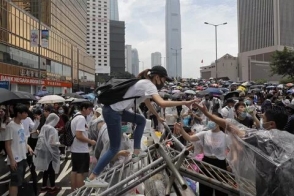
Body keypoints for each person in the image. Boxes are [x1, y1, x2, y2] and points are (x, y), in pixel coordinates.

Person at [86, 66, 197, 187]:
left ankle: (136, 153)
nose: (164, 83)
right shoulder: (148, 85)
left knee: (140, 120)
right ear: (157, 77)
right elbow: (162, 103)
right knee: (114, 148)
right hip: (113, 112)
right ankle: (92, 178)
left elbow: (147, 102)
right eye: (164, 80)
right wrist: (185, 102)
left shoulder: (144, 84)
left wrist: (157, 116)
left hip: (116, 111)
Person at [194, 102, 294, 196]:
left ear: (272, 124)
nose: (261, 120)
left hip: (268, 187)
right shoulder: (289, 138)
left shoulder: (263, 138)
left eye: (263, 118)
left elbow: (231, 127)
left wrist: (207, 114)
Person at [174, 113, 228, 196]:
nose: (211, 122)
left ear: (219, 122)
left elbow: (233, 150)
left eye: (213, 120)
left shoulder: (225, 136)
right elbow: (189, 138)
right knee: (205, 188)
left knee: (221, 190)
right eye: (210, 119)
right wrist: (181, 129)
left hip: (220, 164)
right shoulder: (205, 133)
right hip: (206, 162)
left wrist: (232, 161)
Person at [4, 104, 34, 196]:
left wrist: (28, 147)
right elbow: (7, 145)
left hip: (22, 156)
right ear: (18, 114)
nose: (26, 114)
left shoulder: (20, 124)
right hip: (16, 159)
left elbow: (22, 139)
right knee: (15, 182)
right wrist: (12, 160)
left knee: (18, 181)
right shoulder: (11, 126)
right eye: (24, 112)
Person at [70, 101, 96, 191]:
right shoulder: (81, 118)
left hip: (75, 149)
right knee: (80, 172)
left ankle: (74, 190)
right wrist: (91, 141)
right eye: (89, 109)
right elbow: (79, 135)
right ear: (83, 109)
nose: (90, 111)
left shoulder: (75, 117)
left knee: (75, 170)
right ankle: (81, 192)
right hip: (81, 149)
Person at [34, 113, 61, 194]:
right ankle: (53, 187)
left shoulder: (44, 127)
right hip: (50, 151)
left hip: (42, 150)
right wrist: (58, 143)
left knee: (45, 169)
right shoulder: (52, 129)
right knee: (51, 169)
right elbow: (52, 142)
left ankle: (44, 186)